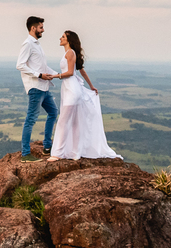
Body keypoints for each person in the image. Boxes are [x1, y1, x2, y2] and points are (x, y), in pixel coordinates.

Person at [47, 30, 122, 161]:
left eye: (63, 37)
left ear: (69, 40)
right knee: (75, 122)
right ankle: (75, 153)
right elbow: (81, 70)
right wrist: (91, 86)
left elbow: (70, 72)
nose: (60, 38)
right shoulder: (70, 53)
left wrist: (55, 76)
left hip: (72, 89)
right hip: (70, 88)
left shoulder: (70, 53)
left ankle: (57, 154)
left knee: (63, 121)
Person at [16, 16, 58, 162]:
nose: (43, 30)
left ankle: (47, 147)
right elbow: (20, 65)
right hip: (35, 87)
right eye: (41, 27)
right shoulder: (28, 44)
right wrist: (39, 75)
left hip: (44, 87)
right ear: (33, 28)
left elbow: (43, 67)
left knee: (53, 112)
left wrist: (59, 75)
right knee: (31, 119)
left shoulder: (37, 44)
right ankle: (25, 154)